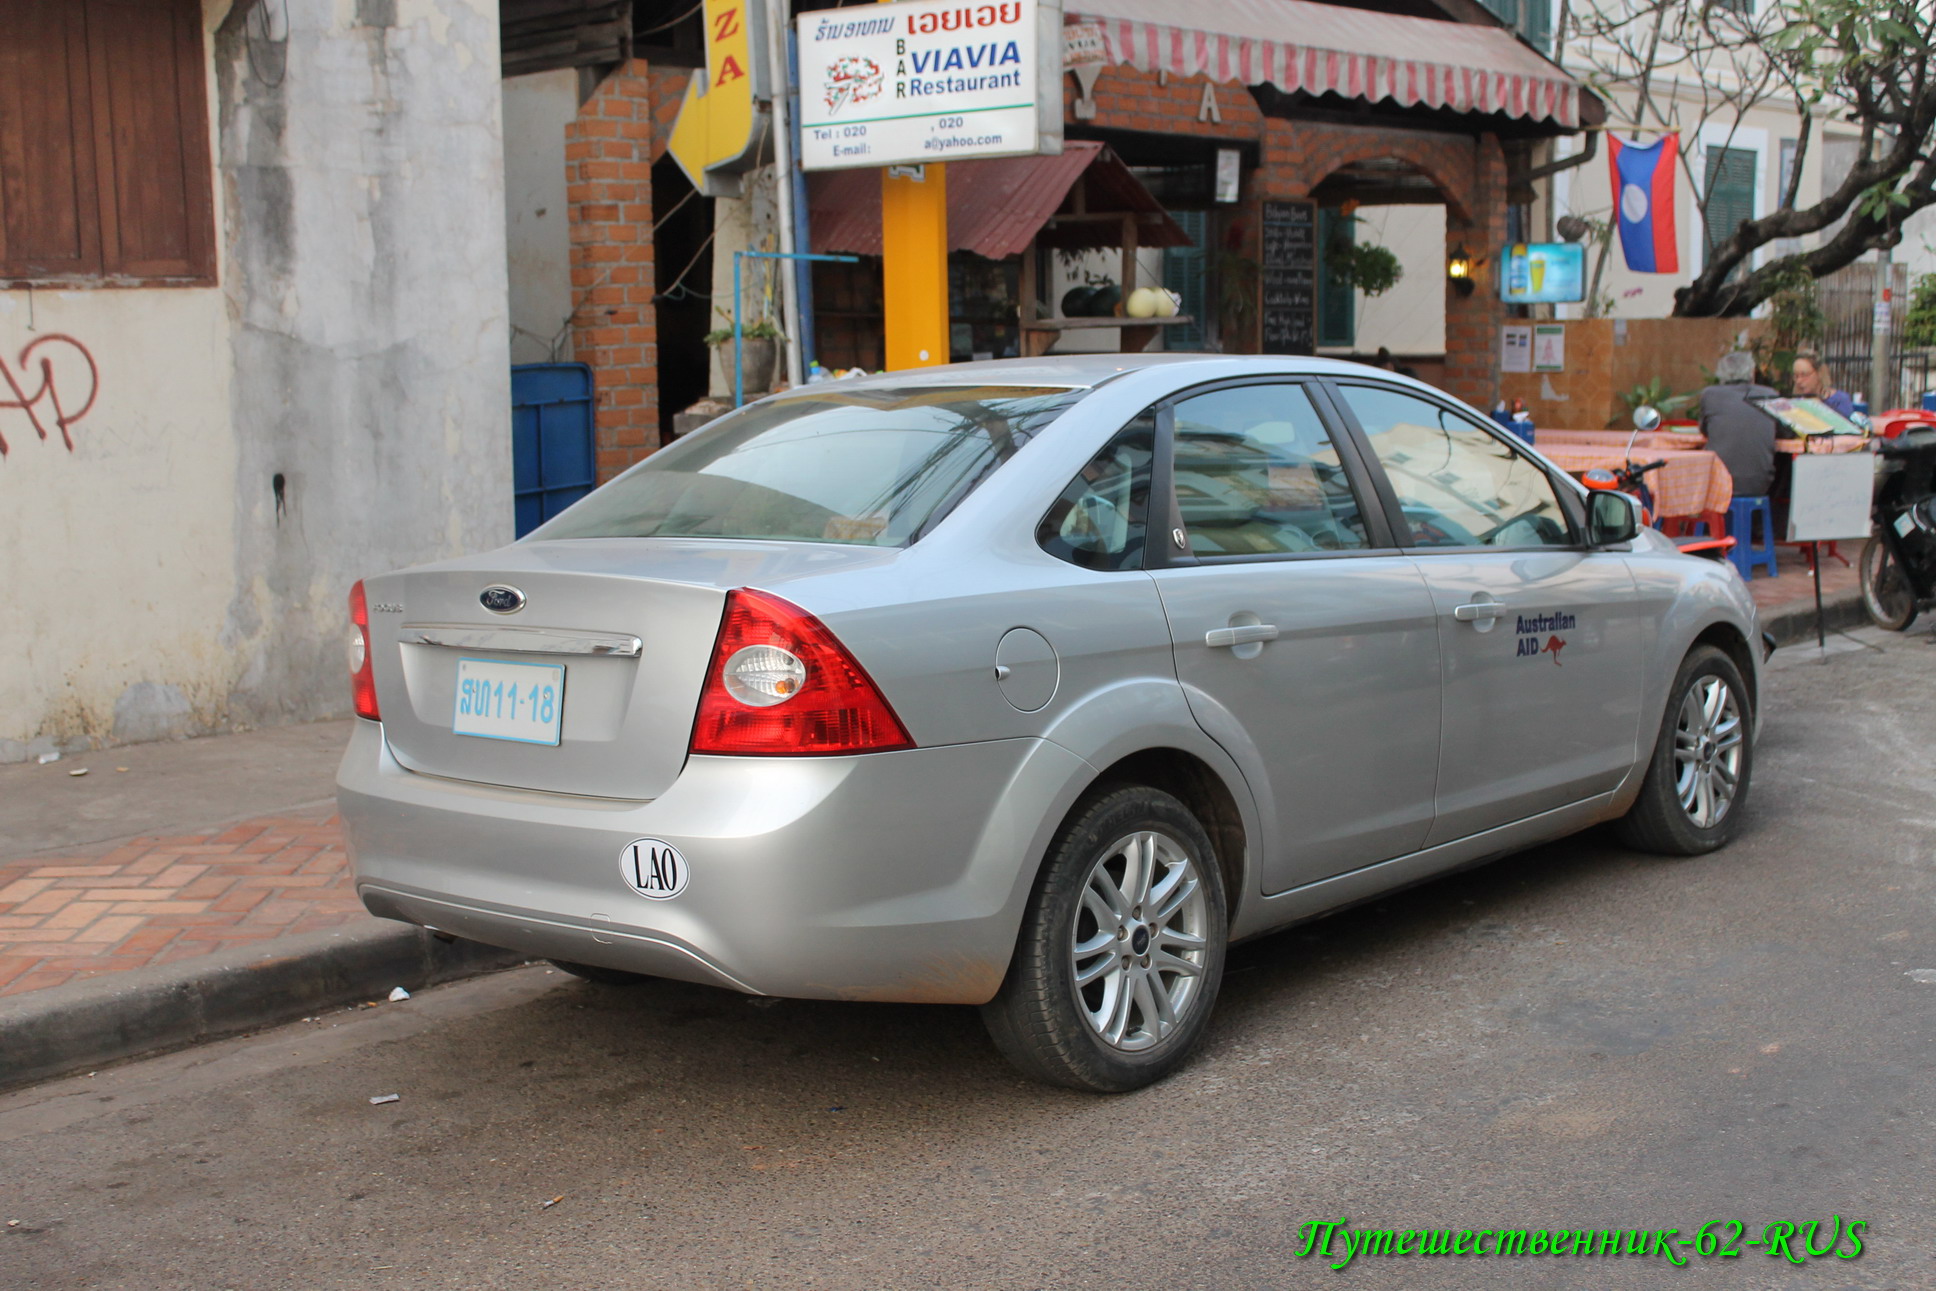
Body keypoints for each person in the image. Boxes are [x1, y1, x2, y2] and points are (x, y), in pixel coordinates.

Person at [1698, 351, 1780, 498]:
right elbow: (1782, 431)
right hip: (1760, 483)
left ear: (1721, 373)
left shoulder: (1710, 395)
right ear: (1751, 373)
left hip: (1719, 481)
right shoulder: (1771, 394)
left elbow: (1705, 431)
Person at [1790, 350, 1857, 418]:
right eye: (1796, 376)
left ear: (1819, 373)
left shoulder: (1839, 400)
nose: (1798, 381)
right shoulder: (1796, 402)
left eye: (1804, 375)